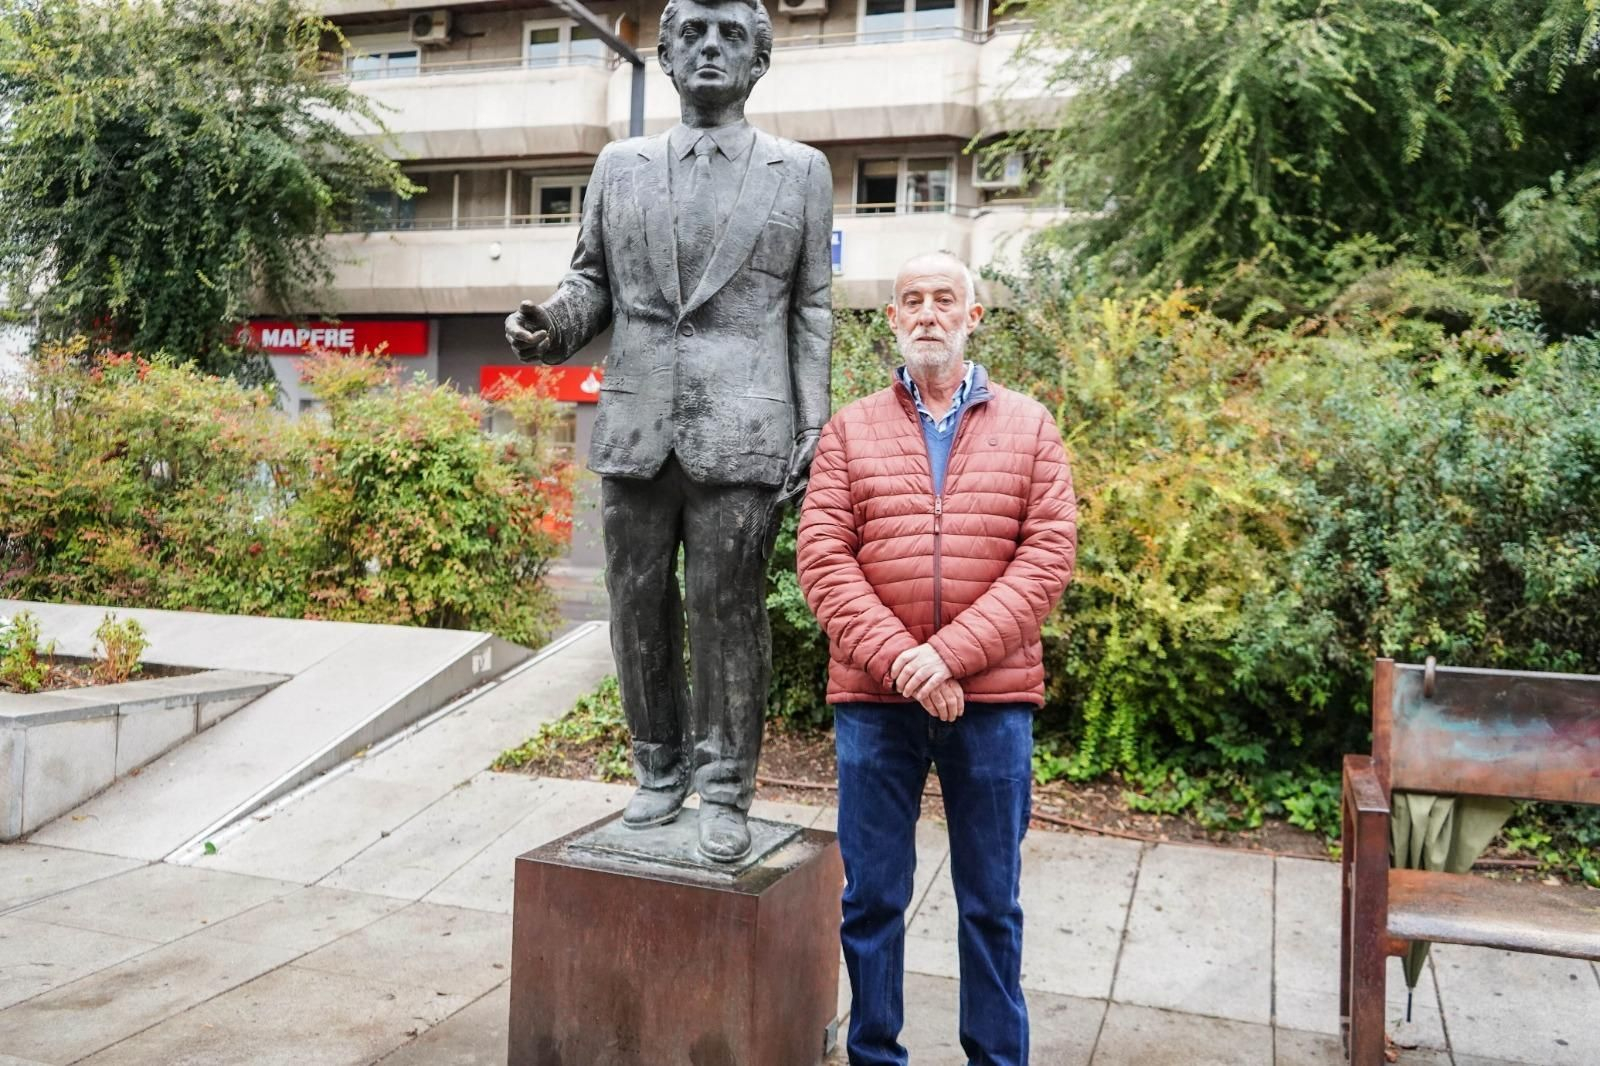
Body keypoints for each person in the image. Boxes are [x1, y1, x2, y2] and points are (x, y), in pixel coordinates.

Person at [504, 0, 832, 862]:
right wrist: (550, 326)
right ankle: (657, 771)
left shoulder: (801, 171)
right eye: (693, 33)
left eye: (731, 35)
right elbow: (591, 283)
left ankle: (724, 790)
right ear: (668, 56)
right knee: (636, 605)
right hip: (637, 424)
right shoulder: (620, 166)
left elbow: (811, 310)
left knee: (728, 614)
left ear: (758, 61)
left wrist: (815, 423)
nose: (711, 47)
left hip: (745, 431)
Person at [796, 251, 1077, 1065]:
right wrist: (904, 664)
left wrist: (947, 658)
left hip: (992, 705)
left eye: (944, 298)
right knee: (871, 900)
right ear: (891, 318)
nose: (927, 312)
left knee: (991, 904)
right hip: (874, 705)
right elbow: (823, 558)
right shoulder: (850, 429)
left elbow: (1047, 558)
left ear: (973, 316)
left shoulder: (1030, 425)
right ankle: (874, 1055)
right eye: (911, 299)